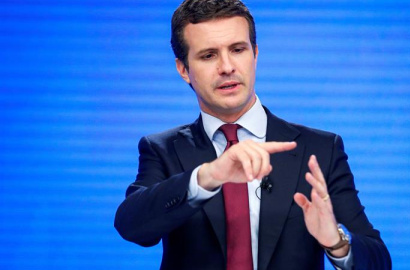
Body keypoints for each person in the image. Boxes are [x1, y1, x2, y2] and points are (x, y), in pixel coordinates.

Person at [114, 0, 391, 269]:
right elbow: (132, 226)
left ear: (255, 54)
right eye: (209, 55)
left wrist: (337, 242)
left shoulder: (320, 148)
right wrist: (208, 176)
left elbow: (378, 261)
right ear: (183, 69)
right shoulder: (162, 149)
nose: (227, 67)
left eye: (237, 49)